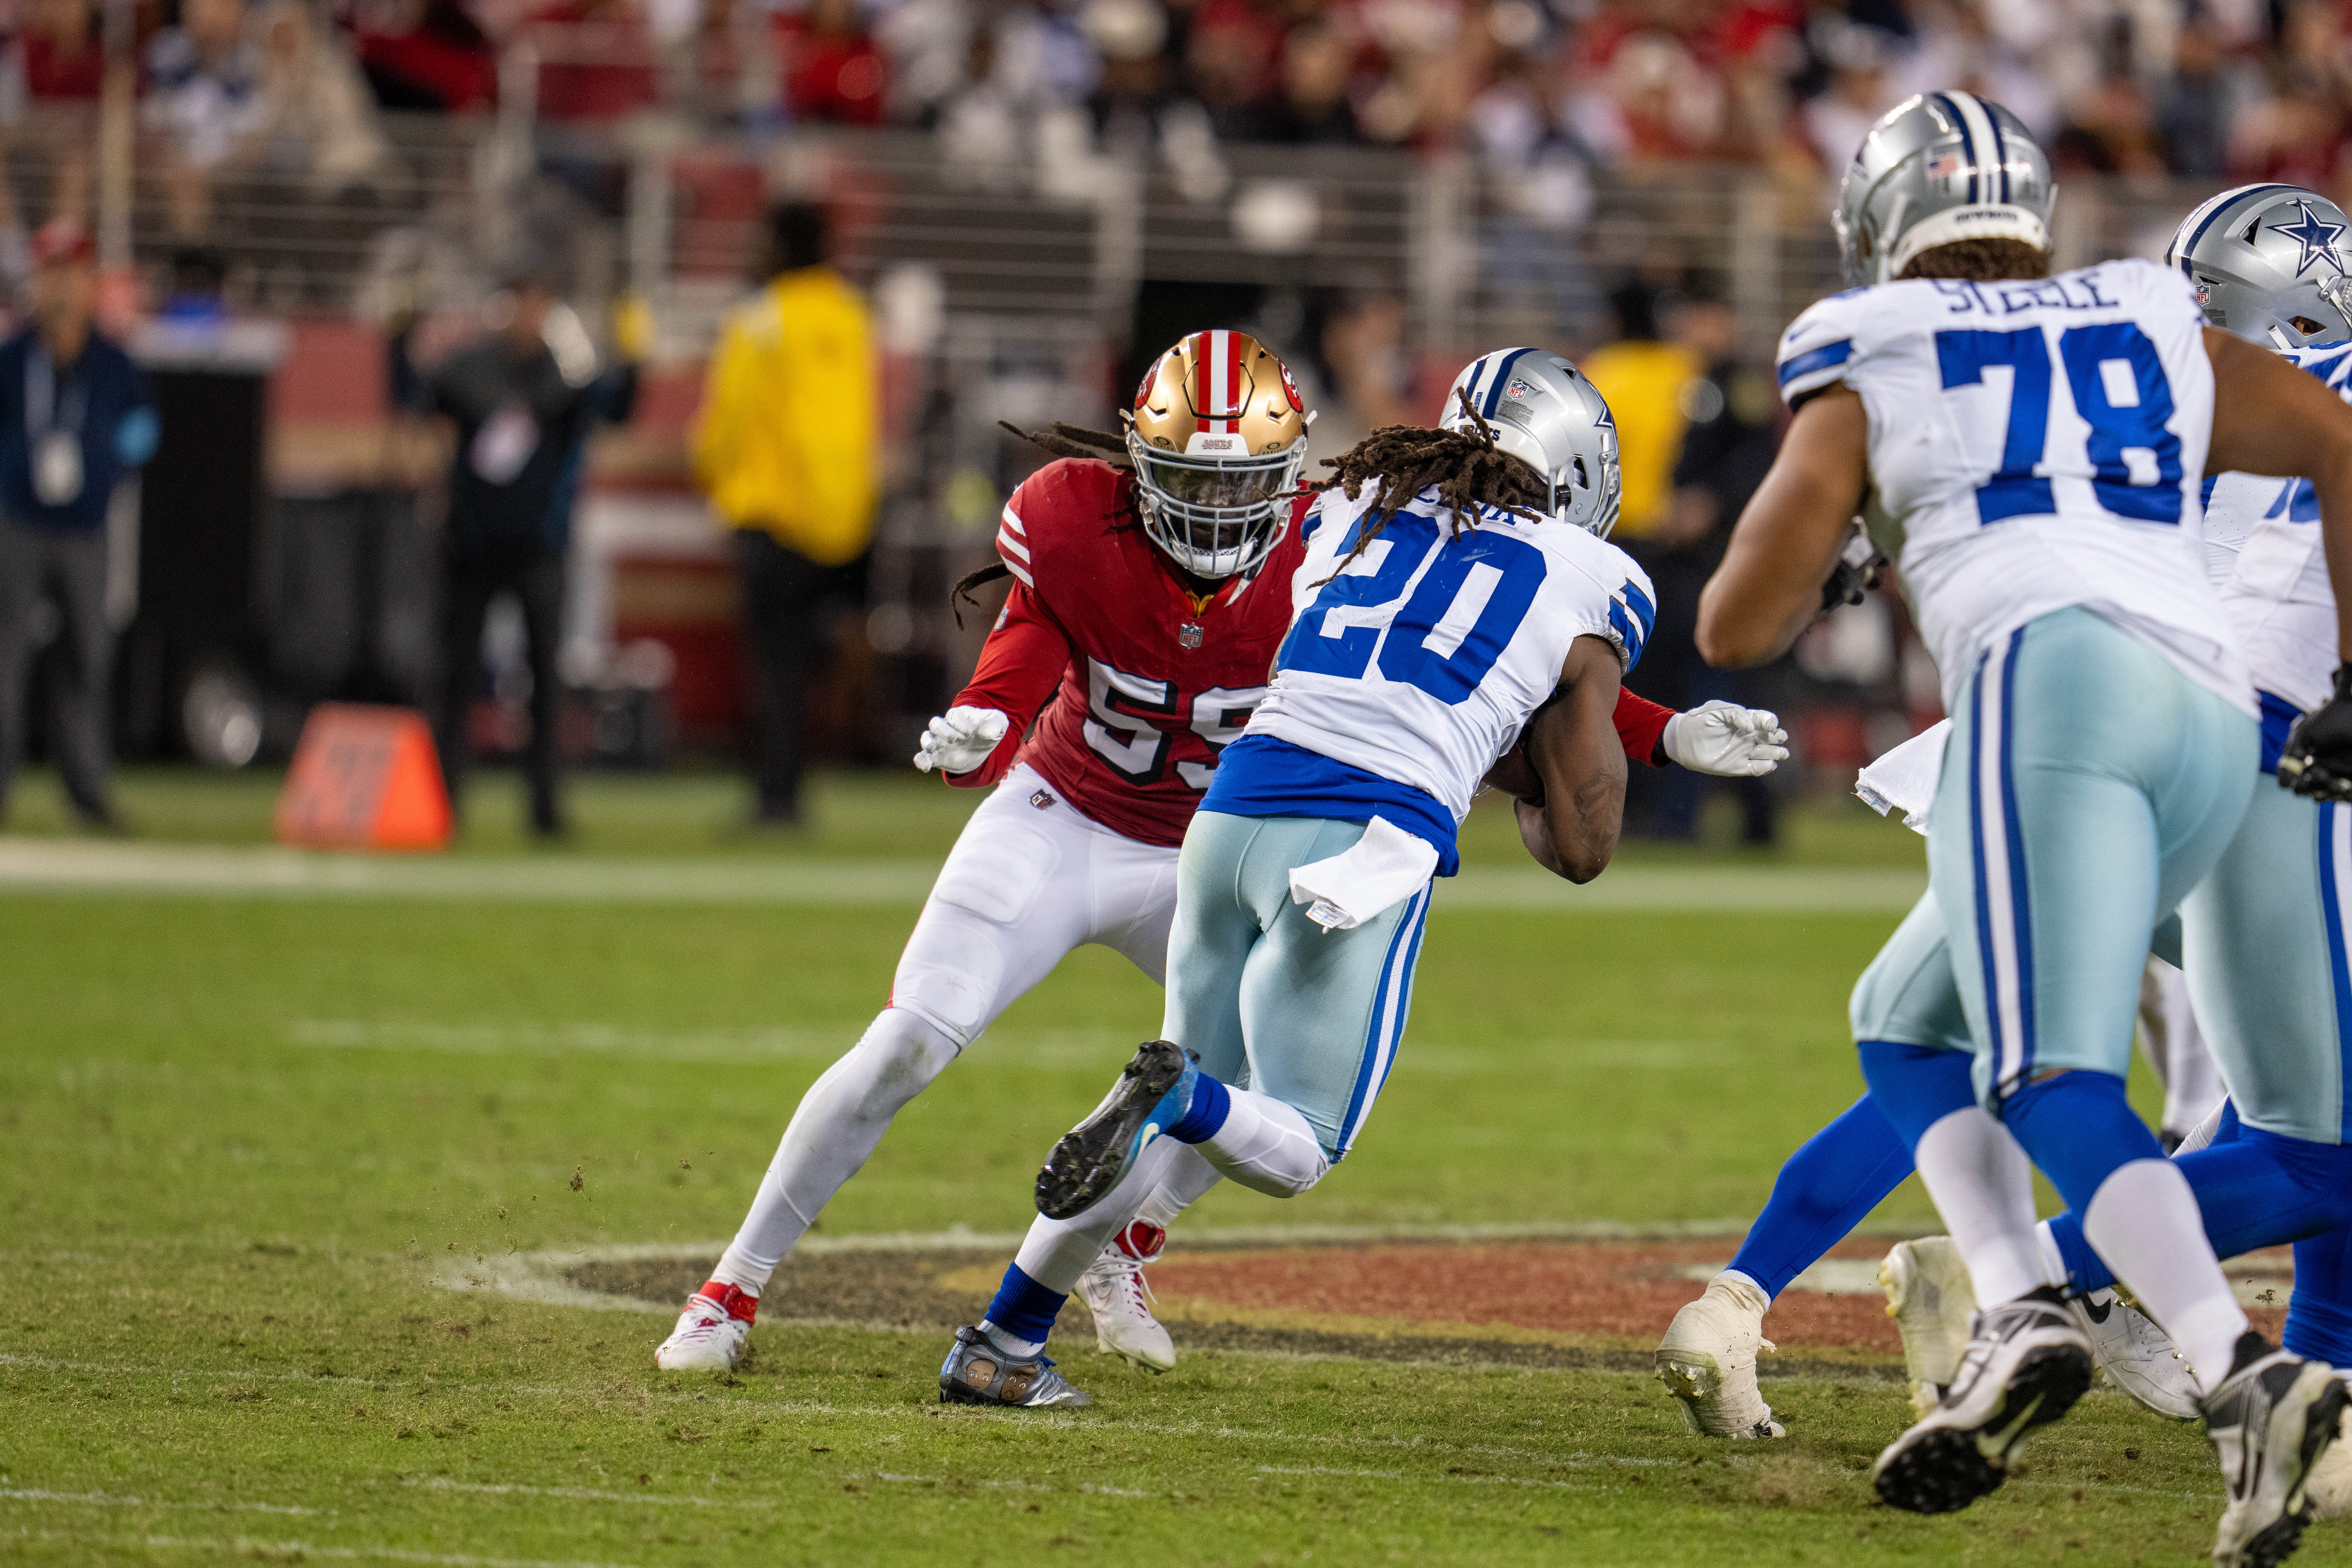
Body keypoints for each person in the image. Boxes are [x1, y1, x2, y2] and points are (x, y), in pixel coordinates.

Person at [653, 332, 1789, 1377]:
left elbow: (1492, 667)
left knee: (1221, 1072)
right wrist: (986, 722)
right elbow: (1028, 644)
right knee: (920, 1041)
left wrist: (1664, 728)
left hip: (1207, 839)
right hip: (1069, 816)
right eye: (1188, 479)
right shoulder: (1098, 520)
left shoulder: (1338, 524)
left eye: (1240, 482)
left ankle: (1106, 1255)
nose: (1210, 509)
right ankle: (728, 1291)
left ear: (1294, 470)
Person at [1695, 95, 2352, 1565]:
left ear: (1878, 226)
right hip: (2236, 738)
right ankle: (2118, 1335)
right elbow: (2325, 445)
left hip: (2062, 696)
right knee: (2306, 1140)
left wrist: (1842, 533)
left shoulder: (1873, 343)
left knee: (2032, 1061)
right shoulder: (2140, 316)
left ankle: (2171, 1350)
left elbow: (1738, 621)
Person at [933, 350, 1670, 1409]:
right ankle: (1173, 1097)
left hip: (1229, 811)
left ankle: (1004, 1341)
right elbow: (1582, 843)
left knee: (1169, 1084)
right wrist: (1536, 767)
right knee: (1294, 1146)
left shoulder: (1353, 501)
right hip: (1366, 842)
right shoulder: (1593, 575)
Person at [409, 268, 640, 838]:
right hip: (474, 546)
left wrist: (633, 347)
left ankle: (543, 808)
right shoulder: (471, 370)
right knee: (457, 678)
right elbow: (416, 397)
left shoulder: (564, 380)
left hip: (540, 548)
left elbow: (618, 409)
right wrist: (401, 333)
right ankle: (445, 801)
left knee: (544, 680)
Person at [692, 202, 876, 827]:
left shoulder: (761, 316)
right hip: (842, 519)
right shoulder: (852, 315)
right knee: (811, 662)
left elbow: (729, 417)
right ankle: (799, 783)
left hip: (772, 514)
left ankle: (776, 794)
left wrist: (715, 476)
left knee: (773, 663)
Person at [0, 219, 157, 828]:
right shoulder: (14, 360)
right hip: (18, 524)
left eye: (73, 274)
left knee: (89, 658)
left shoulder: (114, 363)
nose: (62, 288)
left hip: (87, 530)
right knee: (6, 659)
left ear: (91, 283)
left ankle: (87, 793)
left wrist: (108, 468)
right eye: (53, 274)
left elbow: (144, 430)